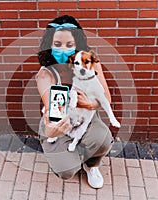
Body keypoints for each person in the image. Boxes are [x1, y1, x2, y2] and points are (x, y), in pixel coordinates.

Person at [36, 15, 115, 189]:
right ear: (49, 44)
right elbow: (51, 109)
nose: (63, 49)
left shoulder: (89, 63)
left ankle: (91, 164)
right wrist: (50, 130)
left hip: (84, 115)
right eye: (57, 44)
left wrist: (90, 105)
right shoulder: (45, 74)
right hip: (59, 117)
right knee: (66, 170)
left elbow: (106, 99)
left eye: (69, 45)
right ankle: (66, 154)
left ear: (77, 44)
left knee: (102, 140)